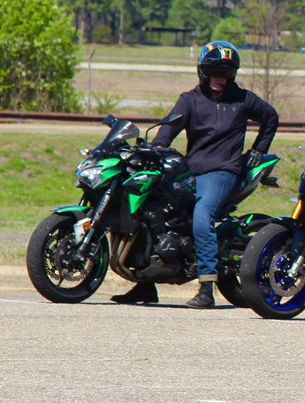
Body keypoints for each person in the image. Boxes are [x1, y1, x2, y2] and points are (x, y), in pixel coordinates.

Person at [110, 40, 279, 309]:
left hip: (223, 171)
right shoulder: (190, 100)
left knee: (202, 217)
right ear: (203, 71)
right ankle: (145, 283)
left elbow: (271, 117)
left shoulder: (243, 99)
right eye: (214, 71)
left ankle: (206, 288)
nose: (220, 78)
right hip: (191, 170)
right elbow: (167, 131)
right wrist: (153, 149)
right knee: (151, 210)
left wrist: (259, 150)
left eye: (225, 72)